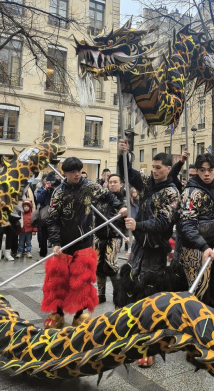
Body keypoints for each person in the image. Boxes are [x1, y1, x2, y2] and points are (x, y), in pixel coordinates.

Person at [115, 139, 180, 368]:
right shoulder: (146, 183)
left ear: (168, 169)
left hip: (155, 249)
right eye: (152, 167)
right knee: (132, 288)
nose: (154, 171)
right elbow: (127, 173)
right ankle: (129, 336)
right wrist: (123, 153)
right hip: (139, 247)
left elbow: (163, 222)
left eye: (158, 168)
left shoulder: (172, 193)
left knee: (150, 298)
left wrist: (138, 225)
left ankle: (149, 347)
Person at [41, 158, 126, 329]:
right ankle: (57, 313)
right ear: (65, 173)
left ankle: (79, 315)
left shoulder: (90, 187)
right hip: (64, 244)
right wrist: (56, 242)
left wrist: (121, 207)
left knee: (82, 282)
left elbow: (109, 197)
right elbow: (52, 219)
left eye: (79, 170)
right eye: (73, 172)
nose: (77, 174)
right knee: (58, 281)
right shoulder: (58, 193)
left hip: (85, 241)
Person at [176, 153, 214, 308]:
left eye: (210, 170)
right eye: (202, 170)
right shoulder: (191, 193)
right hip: (196, 250)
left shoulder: (213, 187)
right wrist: (202, 246)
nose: (206, 173)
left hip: (212, 246)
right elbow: (187, 224)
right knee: (198, 292)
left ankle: (209, 322)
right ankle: (197, 325)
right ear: (197, 171)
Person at [94, 173, 127, 303]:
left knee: (111, 266)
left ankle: (117, 293)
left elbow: (130, 217)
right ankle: (101, 294)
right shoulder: (102, 197)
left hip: (115, 236)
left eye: (115, 182)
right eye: (110, 182)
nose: (112, 184)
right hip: (98, 234)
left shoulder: (124, 201)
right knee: (98, 266)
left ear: (121, 184)